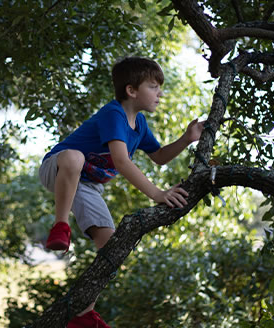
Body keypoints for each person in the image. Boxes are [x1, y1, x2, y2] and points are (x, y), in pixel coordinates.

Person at [38, 57, 204, 328]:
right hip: (58, 169)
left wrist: (188, 138)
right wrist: (158, 193)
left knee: (111, 246)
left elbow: (160, 156)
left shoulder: (140, 125)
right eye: (153, 86)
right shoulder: (114, 113)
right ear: (131, 90)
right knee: (74, 158)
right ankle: (60, 226)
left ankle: (82, 313)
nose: (160, 93)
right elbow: (121, 161)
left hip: (88, 186)